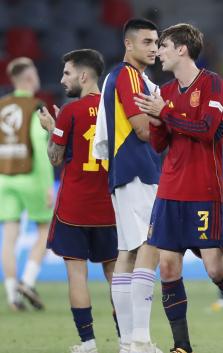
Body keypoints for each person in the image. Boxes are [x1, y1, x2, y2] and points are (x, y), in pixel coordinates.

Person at [38, 49, 118, 353]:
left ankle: (88, 343)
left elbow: (55, 157)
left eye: (67, 73)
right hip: (109, 208)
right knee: (115, 275)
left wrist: (51, 130)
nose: (62, 79)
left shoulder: (70, 112)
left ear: (84, 76)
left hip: (74, 208)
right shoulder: (115, 110)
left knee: (77, 273)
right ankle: (127, 340)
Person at [93, 18, 162, 353]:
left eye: (156, 42)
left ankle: (127, 341)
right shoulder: (128, 76)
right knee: (148, 248)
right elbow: (144, 130)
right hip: (137, 170)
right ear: (129, 44)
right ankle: (139, 339)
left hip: (126, 172)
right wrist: (171, 118)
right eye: (147, 42)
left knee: (128, 253)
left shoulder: (126, 77)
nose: (153, 48)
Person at [0, 57, 53, 311]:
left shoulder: (2, 106)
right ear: (30, 77)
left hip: (4, 178)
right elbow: (40, 149)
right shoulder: (35, 107)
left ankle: (11, 295)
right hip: (30, 176)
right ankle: (28, 282)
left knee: (9, 236)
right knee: (45, 231)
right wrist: (47, 186)